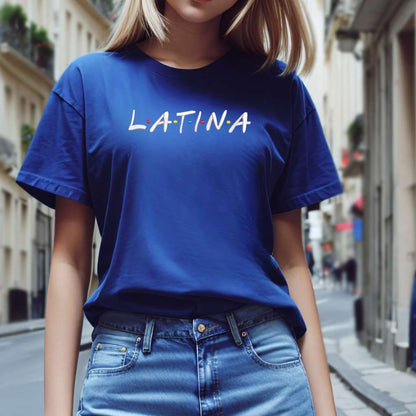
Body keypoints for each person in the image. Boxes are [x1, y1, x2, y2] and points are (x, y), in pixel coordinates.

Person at [15, 1, 344, 415]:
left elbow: (293, 261)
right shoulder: (87, 84)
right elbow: (70, 258)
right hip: (133, 376)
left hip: (264, 371)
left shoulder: (279, 89)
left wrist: (326, 408)